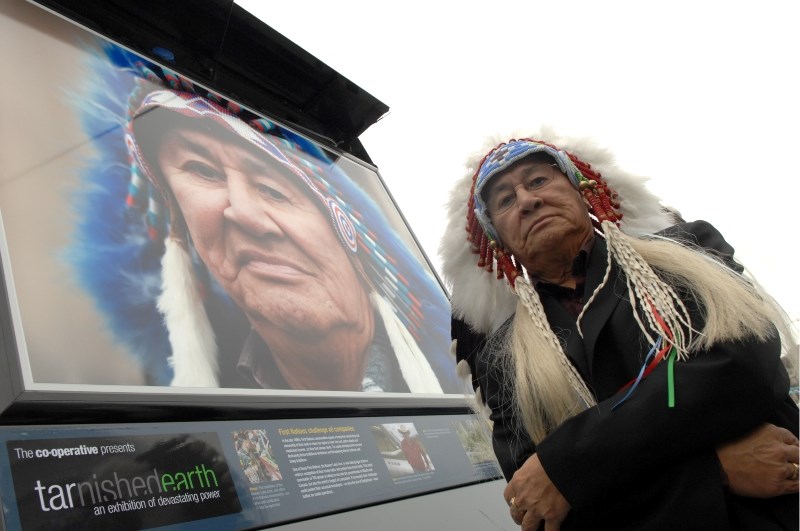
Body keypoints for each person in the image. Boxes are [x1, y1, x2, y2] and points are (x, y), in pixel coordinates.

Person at [440, 132, 799, 530]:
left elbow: (743, 369)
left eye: (539, 180)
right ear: (497, 240)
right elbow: (536, 500)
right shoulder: (504, 357)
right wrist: (711, 473)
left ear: (583, 189)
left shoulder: (686, 250)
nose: (527, 200)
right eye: (505, 200)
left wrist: (569, 466)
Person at [69, 45, 458, 394]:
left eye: (273, 190)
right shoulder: (188, 408)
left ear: (347, 231)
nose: (245, 215)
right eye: (202, 170)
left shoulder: (467, 377)